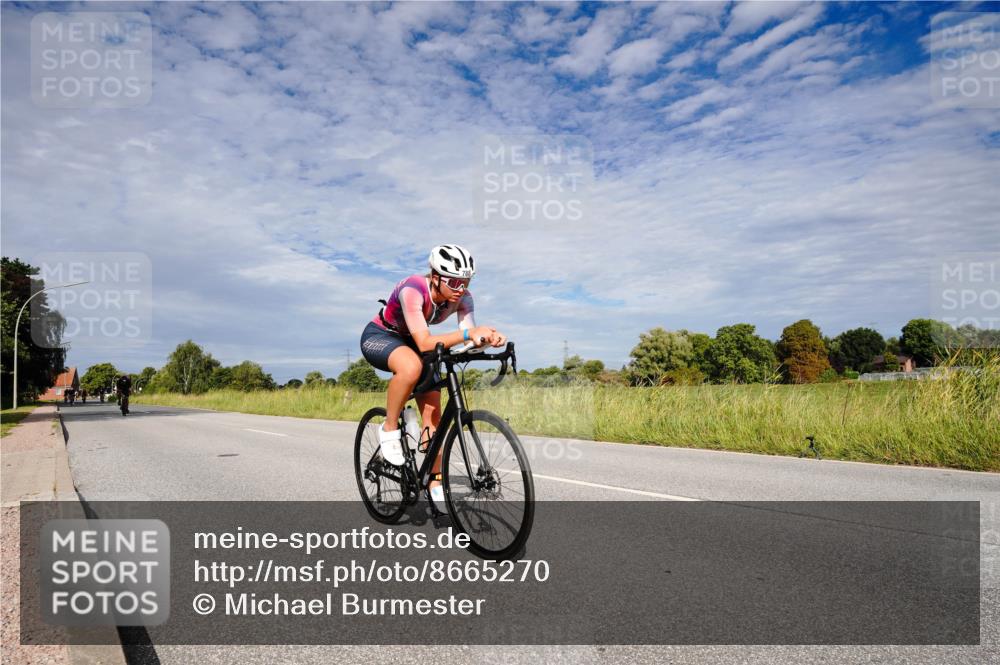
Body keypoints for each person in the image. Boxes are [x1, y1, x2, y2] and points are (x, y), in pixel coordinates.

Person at [359, 244, 506, 512]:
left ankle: (434, 481)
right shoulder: (413, 289)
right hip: (381, 336)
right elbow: (426, 342)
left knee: (434, 415)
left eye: (466, 282)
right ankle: (390, 427)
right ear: (435, 277)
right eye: (454, 282)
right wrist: (466, 336)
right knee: (411, 367)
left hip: (416, 341)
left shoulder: (463, 298)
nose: (460, 289)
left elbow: (469, 337)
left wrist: (486, 339)